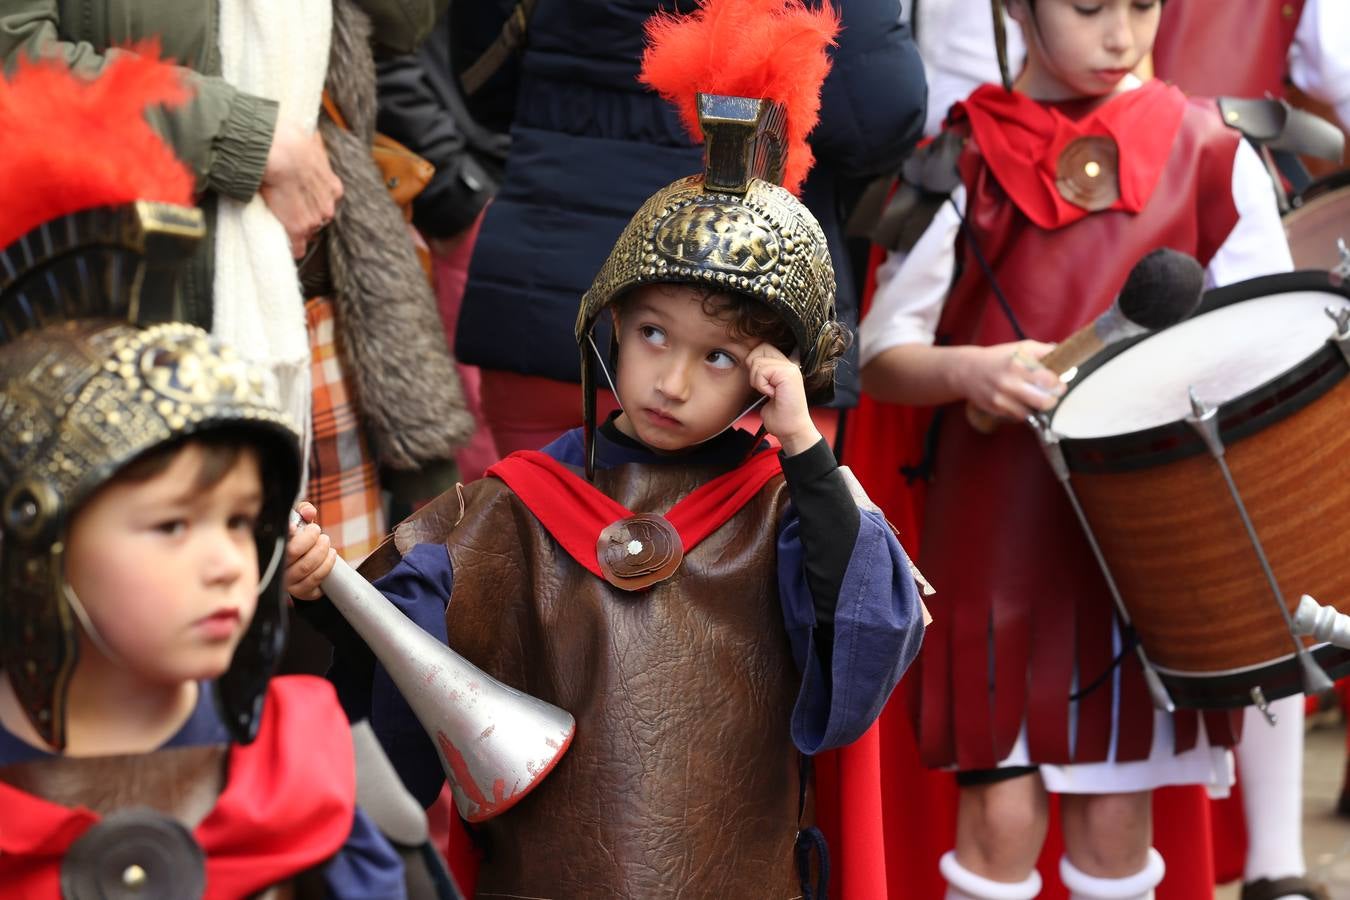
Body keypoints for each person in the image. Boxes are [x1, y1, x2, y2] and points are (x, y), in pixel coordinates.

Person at [284, 2, 927, 895]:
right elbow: (400, 662)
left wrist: (805, 451)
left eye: (719, 357)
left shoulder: (790, 514)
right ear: (611, 326)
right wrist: (327, 589)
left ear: (768, 376)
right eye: (655, 336)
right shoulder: (509, 506)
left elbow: (863, 633)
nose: (671, 382)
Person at [857, 1, 1294, 898]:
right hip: (995, 530)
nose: (1121, 33)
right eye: (1088, 6)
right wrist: (972, 371)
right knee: (999, 818)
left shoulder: (1214, 151)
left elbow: (1271, 344)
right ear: (1016, 6)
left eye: (1143, 5)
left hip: (1144, 539)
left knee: (1113, 819)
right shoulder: (959, 156)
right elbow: (880, 354)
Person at [0, 54, 404, 896]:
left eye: (238, 520)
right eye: (173, 524)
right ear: (38, 535)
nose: (230, 562)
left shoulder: (320, 790)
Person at [0, 0, 474, 566]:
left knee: (322, 626)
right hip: (115, 320)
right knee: (139, 619)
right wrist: (249, 139)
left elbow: (405, 25)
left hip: (311, 314)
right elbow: (15, 57)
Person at [448, 0, 926, 457]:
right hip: (746, 311)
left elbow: (482, 80)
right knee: (746, 534)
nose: (668, 386)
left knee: (541, 528)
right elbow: (881, 119)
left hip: (546, 278)